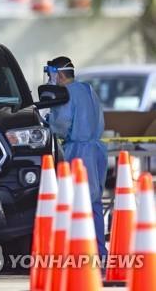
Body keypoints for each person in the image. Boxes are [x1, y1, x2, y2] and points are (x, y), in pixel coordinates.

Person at [45, 56, 108, 258]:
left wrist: (47, 121)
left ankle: (80, 252)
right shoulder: (89, 90)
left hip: (78, 153)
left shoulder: (66, 94)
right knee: (95, 202)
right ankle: (99, 251)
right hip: (97, 151)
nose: (50, 79)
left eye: (51, 75)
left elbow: (61, 126)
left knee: (76, 203)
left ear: (60, 74)